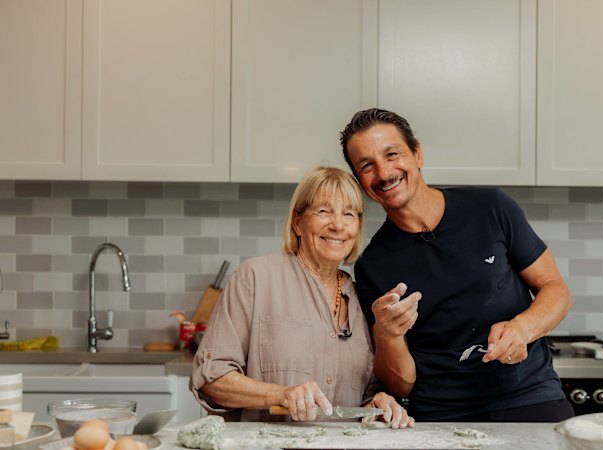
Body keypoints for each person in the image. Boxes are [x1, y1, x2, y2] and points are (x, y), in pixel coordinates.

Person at [339, 108, 574, 422]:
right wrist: (388, 334)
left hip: (529, 396)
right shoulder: (372, 264)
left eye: (392, 154)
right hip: (439, 414)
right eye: (366, 165)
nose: (383, 173)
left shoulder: (491, 208)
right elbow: (400, 382)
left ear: (417, 153)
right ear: (359, 181)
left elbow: (556, 290)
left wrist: (522, 330)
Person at [190, 166, 414, 428]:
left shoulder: (362, 296)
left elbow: (362, 392)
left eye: (349, 214)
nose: (338, 224)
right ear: (298, 222)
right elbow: (211, 378)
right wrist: (281, 394)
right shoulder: (256, 277)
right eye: (323, 211)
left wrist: (376, 403)